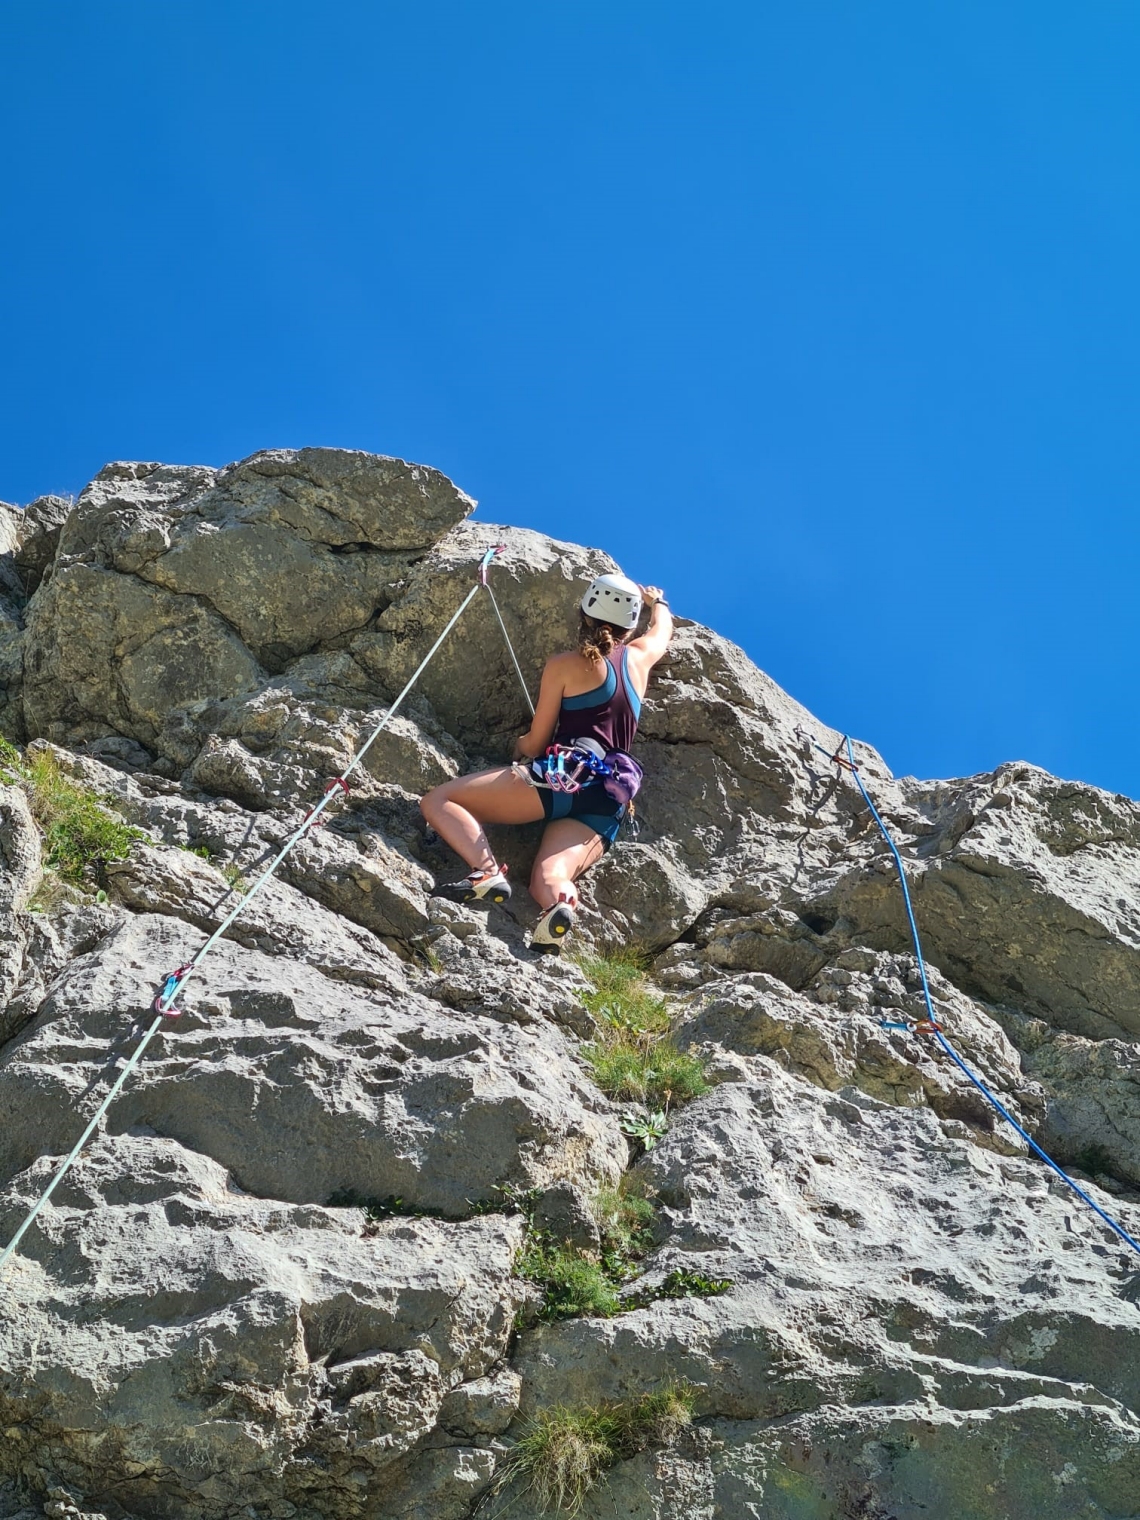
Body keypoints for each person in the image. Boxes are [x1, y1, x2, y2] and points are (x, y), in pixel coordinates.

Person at [420, 573, 674, 949]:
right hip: (608, 797)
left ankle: (487, 872)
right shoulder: (639, 660)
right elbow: (662, 632)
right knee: (547, 874)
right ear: (629, 627)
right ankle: (559, 902)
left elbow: (537, 741)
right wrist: (658, 602)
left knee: (438, 801)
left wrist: (519, 744)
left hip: (561, 778)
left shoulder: (564, 665)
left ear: (584, 615)